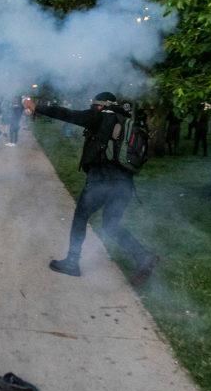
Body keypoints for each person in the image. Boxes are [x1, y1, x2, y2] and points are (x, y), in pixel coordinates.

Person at [24, 92, 158, 285]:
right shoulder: (126, 121)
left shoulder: (100, 116)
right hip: (125, 185)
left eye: (94, 105)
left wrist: (37, 107)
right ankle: (142, 256)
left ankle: (72, 262)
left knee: (80, 217)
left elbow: (67, 114)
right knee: (111, 225)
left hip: (102, 181)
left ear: (101, 106)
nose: (92, 108)